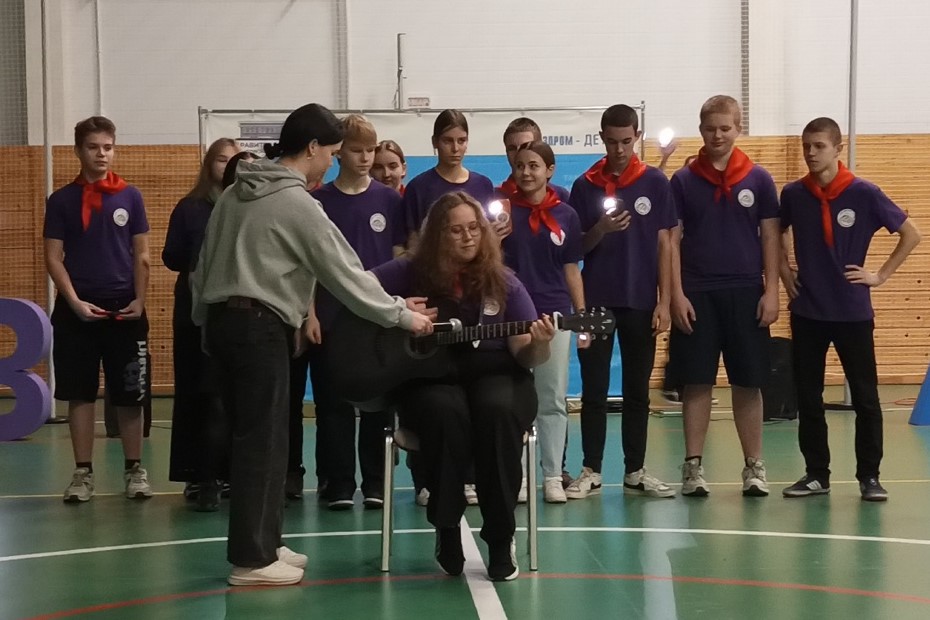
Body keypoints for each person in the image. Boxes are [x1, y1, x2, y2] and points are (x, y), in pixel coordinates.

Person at [191, 103, 433, 587]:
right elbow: (346, 276)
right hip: (259, 328)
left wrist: (206, 324)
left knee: (258, 436)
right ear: (313, 147)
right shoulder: (298, 203)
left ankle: (265, 542)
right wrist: (404, 317)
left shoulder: (236, 192)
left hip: (223, 325)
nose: (332, 161)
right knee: (262, 441)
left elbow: (205, 265)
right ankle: (252, 561)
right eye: (333, 152)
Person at [371, 191, 555, 581]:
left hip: (497, 373)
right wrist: (396, 309)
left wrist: (540, 344)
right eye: (456, 230)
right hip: (431, 376)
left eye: (474, 228)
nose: (468, 237)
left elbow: (526, 354)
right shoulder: (409, 271)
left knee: (497, 410)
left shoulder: (503, 281)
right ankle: (447, 527)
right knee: (443, 412)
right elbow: (360, 288)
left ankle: (501, 537)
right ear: (437, 234)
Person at [779, 117, 921, 501]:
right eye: (806, 146)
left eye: (819, 146)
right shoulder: (794, 194)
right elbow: (776, 231)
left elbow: (911, 234)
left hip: (852, 313)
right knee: (808, 397)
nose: (811, 153)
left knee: (865, 397)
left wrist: (879, 275)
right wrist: (784, 271)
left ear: (837, 149)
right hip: (807, 311)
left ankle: (869, 476)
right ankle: (816, 474)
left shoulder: (864, 193)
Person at [290, 114, 406, 510]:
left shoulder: (390, 200)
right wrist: (310, 313)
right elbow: (306, 265)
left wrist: (397, 309)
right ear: (338, 153)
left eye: (370, 150)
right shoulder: (317, 201)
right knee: (332, 404)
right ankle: (336, 483)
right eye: (356, 150)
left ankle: (376, 481)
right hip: (331, 317)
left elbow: (400, 259)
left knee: (378, 403)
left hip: (377, 320)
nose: (365, 158)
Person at [669, 95, 780, 498]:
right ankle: (693, 467)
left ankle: (754, 466)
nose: (717, 135)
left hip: (746, 292)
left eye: (725, 128)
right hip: (697, 294)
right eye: (710, 128)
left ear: (738, 128)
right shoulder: (683, 181)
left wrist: (772, 290)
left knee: (748, 382)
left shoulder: (759, 179)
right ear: (700, 129)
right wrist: (675, 294)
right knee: (696, 382)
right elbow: (671, 241)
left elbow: (770, 237)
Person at [566, 104, 678, 500]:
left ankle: (635, 470)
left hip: (641, 301)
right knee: (594, 391)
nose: (619, 149)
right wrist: (600, 228)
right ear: (601, 138)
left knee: (637, 391)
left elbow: (665, 245)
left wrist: (665, 302)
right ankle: (591, 469)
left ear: (637, 137)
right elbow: (575, 248)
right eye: (612, 141)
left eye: (626, 141)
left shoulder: (655, 183)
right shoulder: (584, 186)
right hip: (597, 302)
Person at [44, 116, 153, 503]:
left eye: (107, 147)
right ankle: (83, 472)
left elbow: (142, 254)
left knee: (130, 393)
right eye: (93, 147)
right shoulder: (61, 201)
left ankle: (134, 469)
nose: (101, 154)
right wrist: (74, 302)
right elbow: (53, 258)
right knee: (80, 394)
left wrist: (139, 301)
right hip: (78, 313)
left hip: (125, 311)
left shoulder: (131, 196)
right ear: (78, 151)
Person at [497, 141, 585, 503]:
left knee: (552, 397)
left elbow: (571, 269)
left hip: (555, 315)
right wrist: (494, 239)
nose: (526, 172)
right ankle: (518, 477)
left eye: (534, 165)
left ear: (549, 171)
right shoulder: (503, 213)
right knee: (517, 398)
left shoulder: (567, 215)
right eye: (520, 166)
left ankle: (551, 476)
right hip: (515, 316)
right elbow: (491, 265)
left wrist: (580, 316)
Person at [163, 138, 239, 511]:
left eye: (233, 160)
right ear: (209, 164)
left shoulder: (244, 206)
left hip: (230, 311)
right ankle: (197, 473)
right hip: (192, 310)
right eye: (221, 159)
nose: (227, 166)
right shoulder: (190, 208)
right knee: (196, 391)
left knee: (225, 397)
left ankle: (226, 472)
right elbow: (172, 256)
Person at [403, 109, 495, 248]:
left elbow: (489, 237)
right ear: (435, 142)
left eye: (461, 141)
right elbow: (413, 242)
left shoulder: (483, 185)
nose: (455, 148)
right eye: (448, 141)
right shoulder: (418, 188)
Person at [500, 117, 570, 202]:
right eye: (512, 148)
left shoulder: (560, 196)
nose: (519, 153)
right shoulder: (496, 198)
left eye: (525, 146)